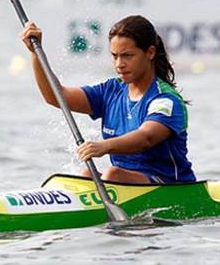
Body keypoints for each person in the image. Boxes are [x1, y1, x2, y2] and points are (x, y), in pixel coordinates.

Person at [20, 15, 196, 184]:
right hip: (125, 183)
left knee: (112, 174)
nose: (119, 64)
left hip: (169, 185)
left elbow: (147, 137)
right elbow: (56, 96)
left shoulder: (165, 100)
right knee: (87, 175)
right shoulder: (111, 90)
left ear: (150, 52)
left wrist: (105, 146)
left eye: (127, 56)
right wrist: (36, 52)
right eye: (114, 56)